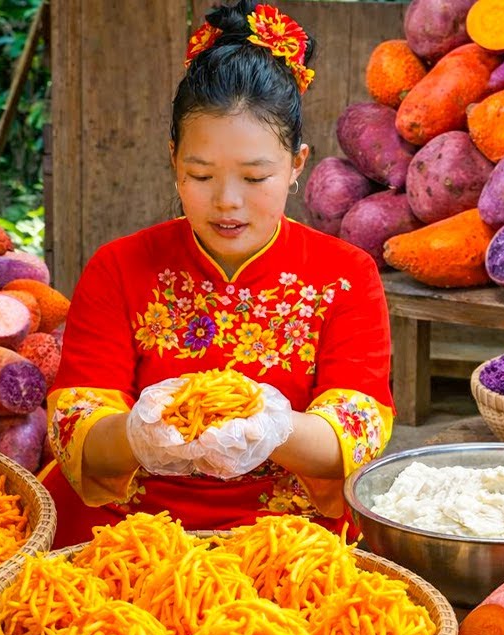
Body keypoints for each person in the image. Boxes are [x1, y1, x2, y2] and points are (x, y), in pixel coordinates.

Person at [39, 0, 395, 548]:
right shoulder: (119, 266)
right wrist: (141, 435)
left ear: (297, 165)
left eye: (256, 178)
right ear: (173, 159)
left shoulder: (345, 274)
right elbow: (75, 432)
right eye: (200, 175)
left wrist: (270, 426)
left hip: (290, 539)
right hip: (128, 534)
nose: (228, 203)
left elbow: (355, 433)